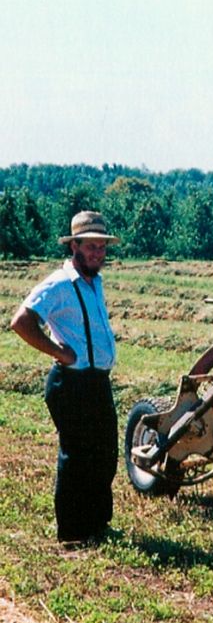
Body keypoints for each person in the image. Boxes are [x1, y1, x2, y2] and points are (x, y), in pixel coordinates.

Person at [10, 211, 120, 545]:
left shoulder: (93, 282)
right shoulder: (59, 283)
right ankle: (72, 535)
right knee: (76, 457)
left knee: (104, 454)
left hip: (97, 382)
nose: (97, 254)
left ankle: (97, 525)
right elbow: (21, 322)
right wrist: (59, 353)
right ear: (74, 246)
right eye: (91, 247)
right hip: (71, 384)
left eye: (102, 247)